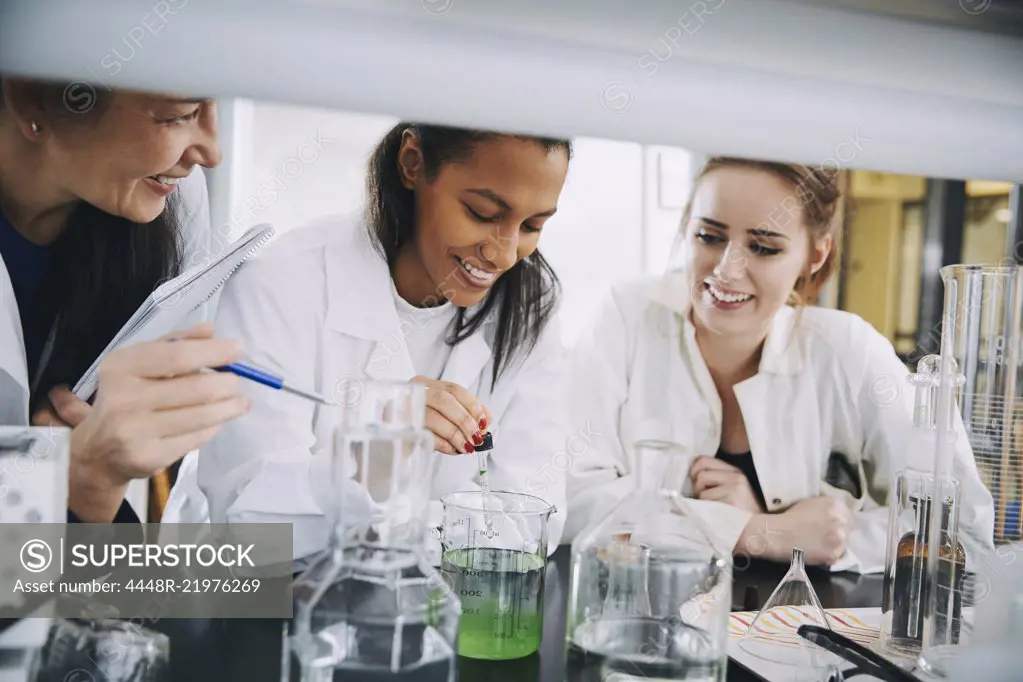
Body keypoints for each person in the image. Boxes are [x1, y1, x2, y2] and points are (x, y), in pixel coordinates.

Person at [565, 156, 994, 573]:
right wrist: (757, 532)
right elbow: (568, 501)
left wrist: (838, 535)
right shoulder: (627, 315)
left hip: (800, 634)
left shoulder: (849, 349)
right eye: (709, 237)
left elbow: (962, 530)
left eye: (763, 247)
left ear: (815, 256)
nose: (727, 271)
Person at [191, 123, 572, 564]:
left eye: (532, 225)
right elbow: (252, 529)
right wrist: (370, 453)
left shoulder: (531, 305)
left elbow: (533, 520)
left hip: (427, 610)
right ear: (412, 162)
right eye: (482, 212)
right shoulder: (280, 283)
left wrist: (397, 525)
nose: (505, 255)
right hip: (239, 601)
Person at [0, 77, 248, 524]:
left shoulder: (165, 203)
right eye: (179, 116)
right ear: (31, 100)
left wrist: (91, 480)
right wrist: (80, 481)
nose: (212, 153)